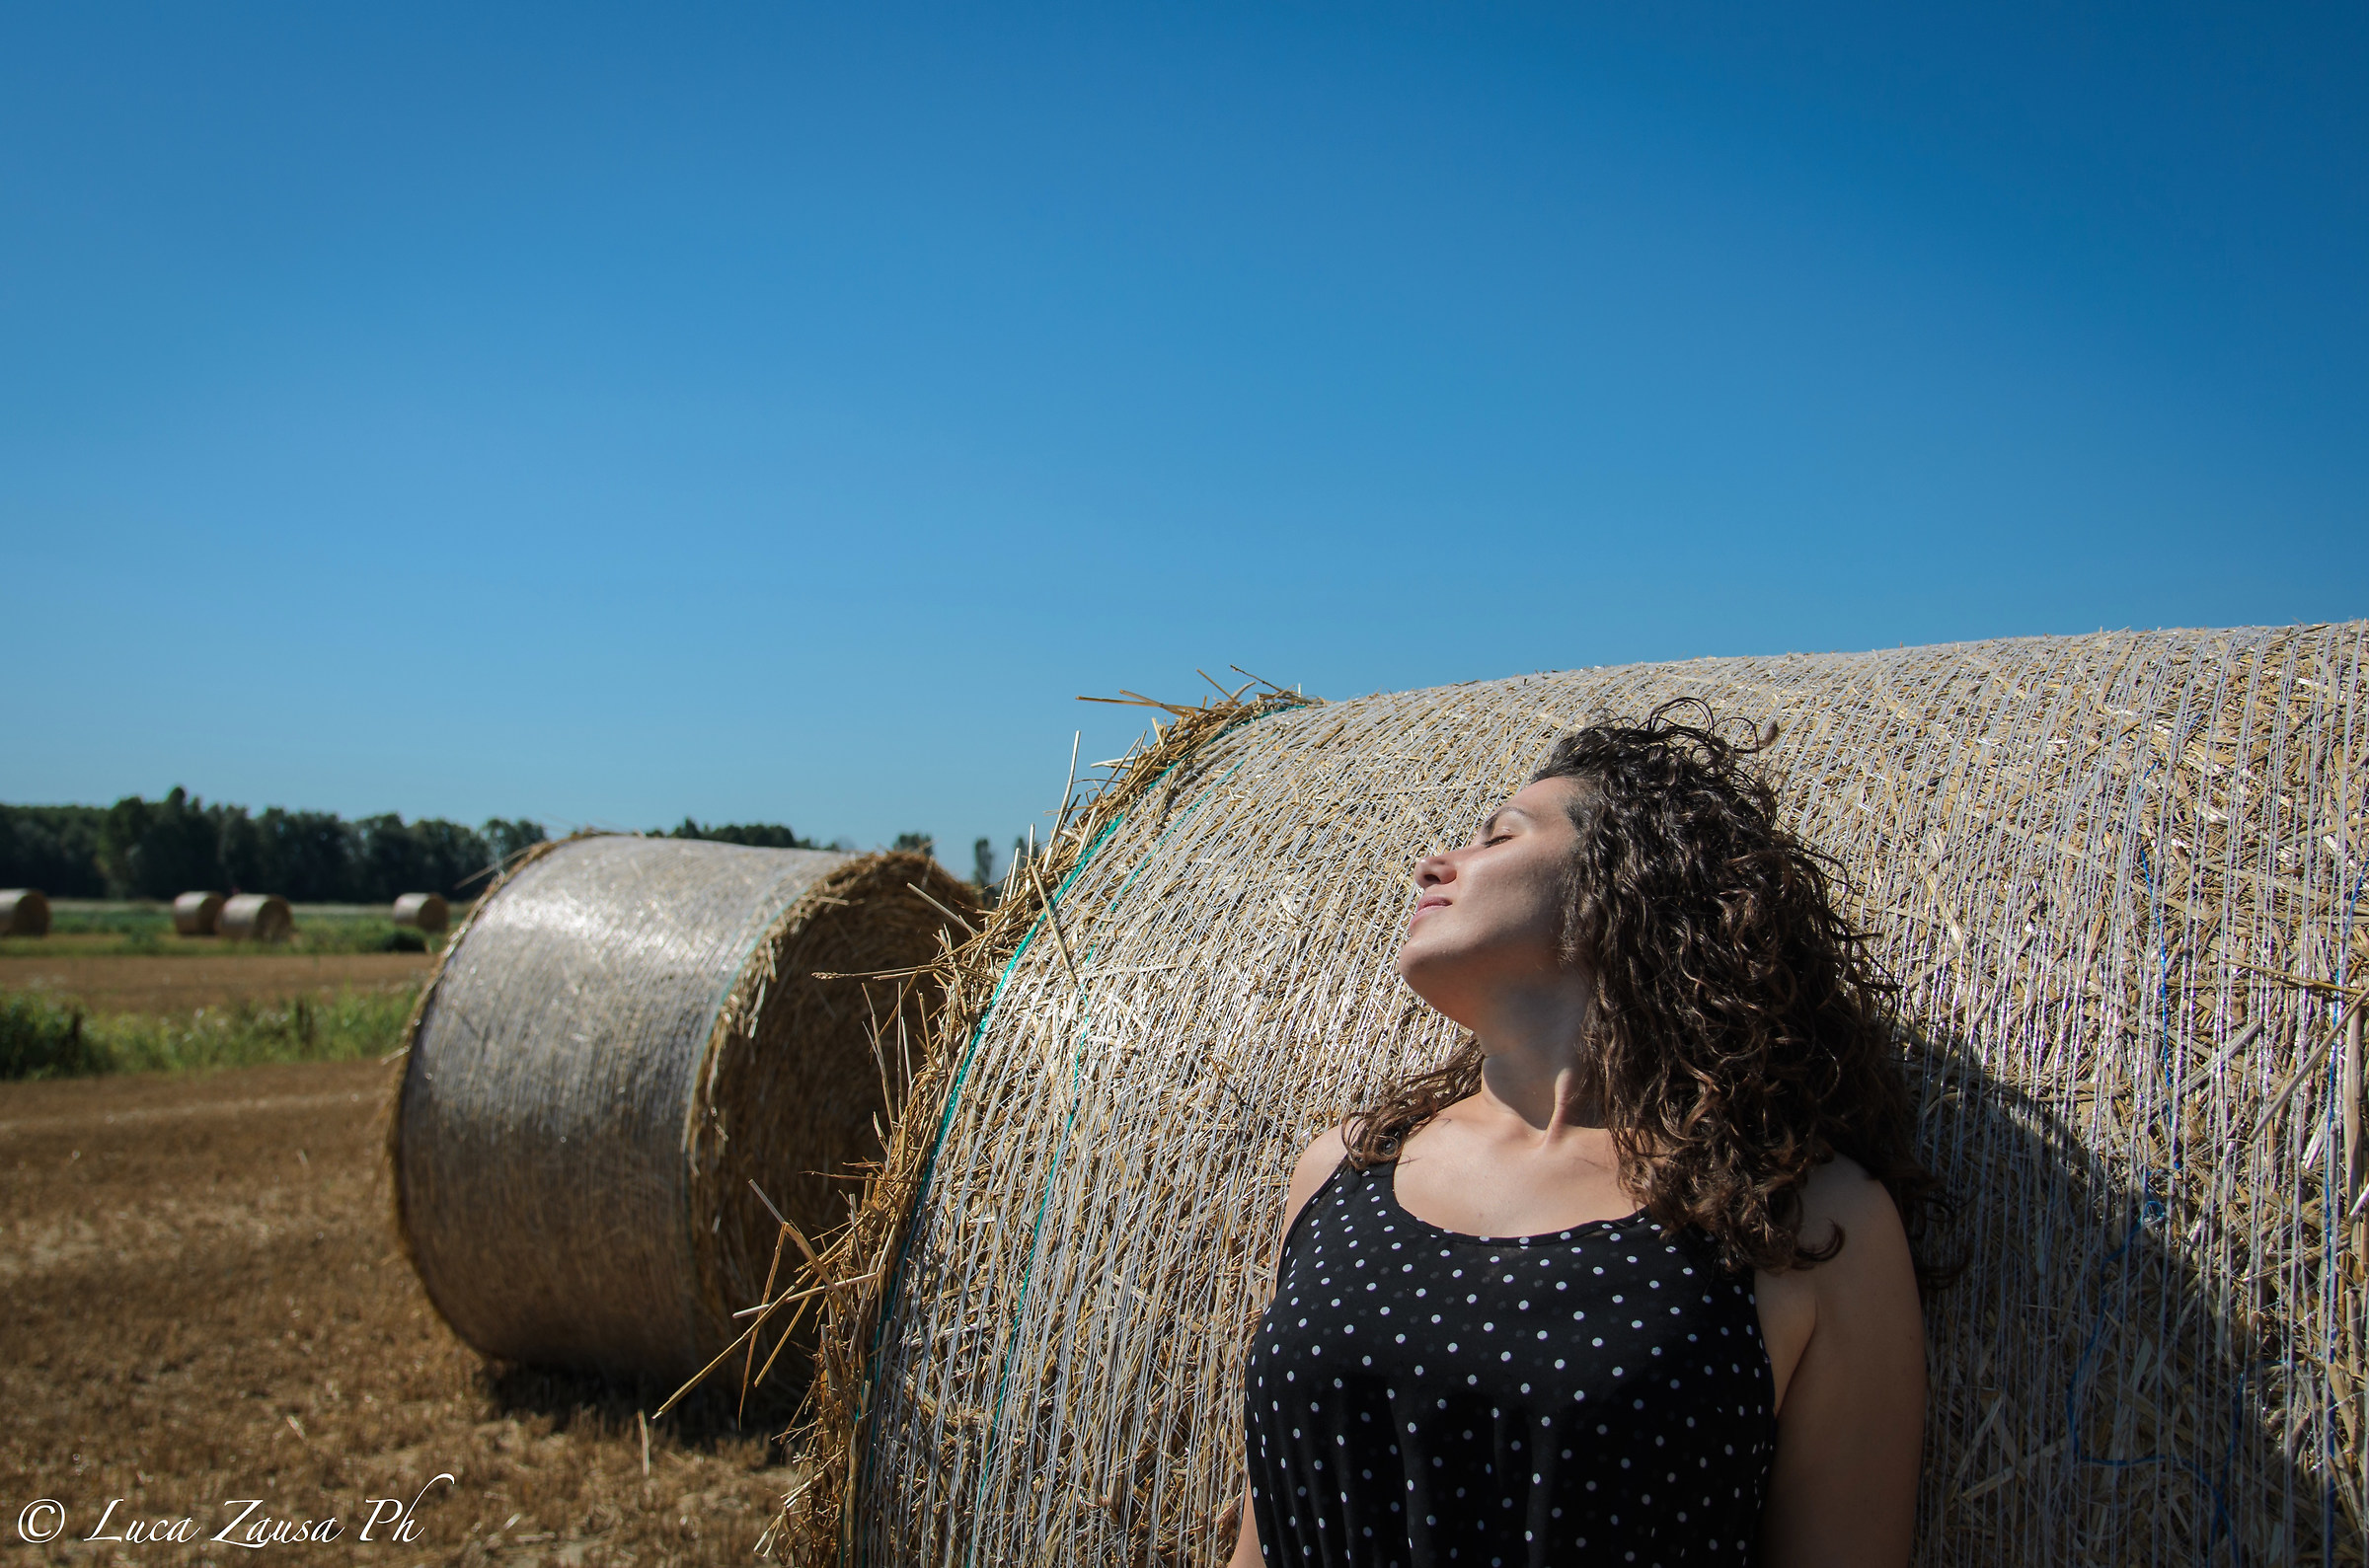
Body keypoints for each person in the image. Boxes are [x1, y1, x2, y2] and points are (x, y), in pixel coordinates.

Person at [1227, 703, 1940, 1568]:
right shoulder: (1342, 1169)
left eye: (1500, 836)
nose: (1433, 863)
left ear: (1626, 884)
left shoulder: (1806, 1223)